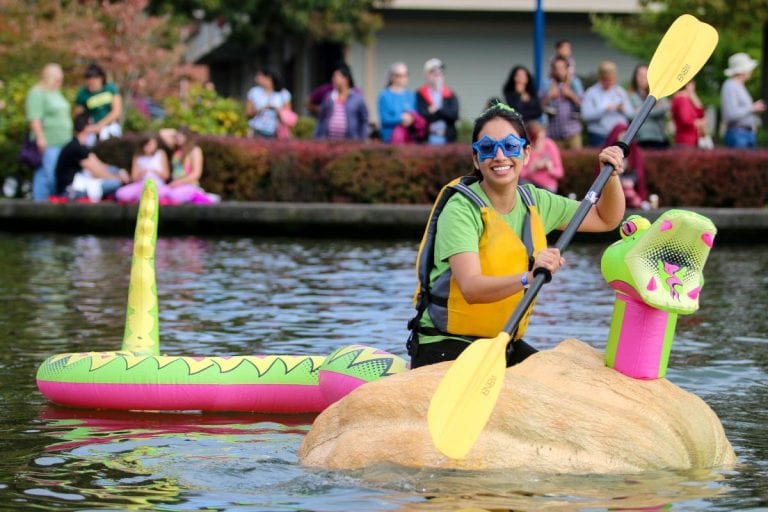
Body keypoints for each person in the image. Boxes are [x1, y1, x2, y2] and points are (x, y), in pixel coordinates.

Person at [406, 101, 627, 369]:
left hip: (500, 343)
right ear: (476, 158)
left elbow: (606, 218)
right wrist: (529, 277)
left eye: (510, 146)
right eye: (487, 148)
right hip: (444, 344)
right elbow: (471, 288)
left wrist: (612, 175)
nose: (499, 156)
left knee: (562, 379)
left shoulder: (536, 201)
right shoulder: (461, 209)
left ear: (526, 152)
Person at [54, 113, 129, 202]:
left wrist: (119, 172)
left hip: (79, 183)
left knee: (114, 170)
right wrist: (119, 180)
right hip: (69, 190)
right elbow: (97, 172)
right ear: (87, 127)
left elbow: (100, 165)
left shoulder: (80, 145)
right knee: (115, 184)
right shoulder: (76, 148)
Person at [25, 63, 73, 201]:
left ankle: (51, 203)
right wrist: (40, 138)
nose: (60, 81)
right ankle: (41, 206)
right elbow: (34, 118)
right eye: (57, 77)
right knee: (47, 174)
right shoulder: (37, 93)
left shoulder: (56, 92)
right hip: (49, 141)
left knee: (53, 174)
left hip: (63, 142)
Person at [581, 60, 632, 147]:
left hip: (619, 136)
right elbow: (585, 115)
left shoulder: (620, 91)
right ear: (600, 78)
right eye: (607, 80)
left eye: (612, 80)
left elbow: (631, 114)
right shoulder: (591, 92)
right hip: (599, 136)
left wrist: (622, 109)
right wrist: (604, 110)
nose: (610, 83)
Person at [720, 52, 766, 148]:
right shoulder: (730, 86)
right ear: (742, 70)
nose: (751, 71)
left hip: (746, 134)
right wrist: (752, 108)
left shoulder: (740, 86)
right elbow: (730, 114)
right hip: (738, 135)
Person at [314, 62, 369, 140]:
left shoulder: (357, 98)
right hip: (329, 140)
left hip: (351, 140)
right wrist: (317, 136)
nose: (334, 80)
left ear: (346, 79)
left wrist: (363, 138)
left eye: (337, 77)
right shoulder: (329, 97)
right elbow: (321, 118)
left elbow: (364, 120)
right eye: (333, 77)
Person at [164, 127, 219, 205]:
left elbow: (196, 174)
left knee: (173, 196)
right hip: (175, 185)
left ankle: (201, 196)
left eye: (181, 136)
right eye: (177, 136)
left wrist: (178, 182)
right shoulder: (177, 150)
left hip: (189, 185)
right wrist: (175, 132)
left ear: (187, 136)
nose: (178, 138)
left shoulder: (194, 150)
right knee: (161, 194)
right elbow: (163, 134)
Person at [600, 123, 648, 209]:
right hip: (614, 186)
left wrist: (631, 181)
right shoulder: (609, 151)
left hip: (630, 187)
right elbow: (604, 174)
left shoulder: (633, 151)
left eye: (625, 134)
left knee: (631, 195)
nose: (623, 137)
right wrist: (621, 182)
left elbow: (638, 172)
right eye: (621, 134)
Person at [74, 63, 123, 146]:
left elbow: (116, 111)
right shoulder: (83, 93)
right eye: (89, 78)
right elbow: (78, 115)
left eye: (95, 78)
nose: (92, 81)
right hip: (91, 130)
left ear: (101, 78)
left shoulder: (110, 88)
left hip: (109, 127)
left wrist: (100, 125)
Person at [540, 56, 583, 149]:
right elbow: (538, 106)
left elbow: (583, 105)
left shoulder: (575, 83)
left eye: (562, 68)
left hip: (573, 132)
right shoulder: (546, 84)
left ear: (567, 69)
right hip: (553, 133)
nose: (559, 71)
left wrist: (571, 95)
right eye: (556, 68)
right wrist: (549, 96)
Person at [115, 134, 170, 204]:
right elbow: (134, 178)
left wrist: (154, 171)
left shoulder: (161, 154)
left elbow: (166, 176)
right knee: (121, 193)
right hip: (142, 184)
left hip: (157, 185)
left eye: (152, 144)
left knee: (158, 194)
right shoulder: (138, 156)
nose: (150, 147)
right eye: (148, 145)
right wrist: (142, 172)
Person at [417, 58, 459, 144]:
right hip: (426, 140)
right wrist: (442, 113)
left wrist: (436, 110)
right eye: (434, 72)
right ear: (427, 75)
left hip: (447, 139)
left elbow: (454, 116)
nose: (438, 75)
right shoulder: (420, 93)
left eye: (441, 72)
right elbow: (421, 115)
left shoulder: (450, 94)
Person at [627, 63, 670, 149]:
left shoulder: (658, 93)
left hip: (659, 138)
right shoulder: (630, 95)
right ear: (635, 77)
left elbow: (664, 108)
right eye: (640, 75)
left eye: (645, 75)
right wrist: (654, 108)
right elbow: (629, 115)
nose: (642, 78)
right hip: (640, 140)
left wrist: (641, 111)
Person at [245, 66, 294, 139]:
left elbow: (288, 115)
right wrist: (261, 109)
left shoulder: (283, 93)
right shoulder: (254, 92)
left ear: (268, 77)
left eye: (259, 75)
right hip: (257, 130)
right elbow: (247, 114)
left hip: (277, 131)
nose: (256, 78)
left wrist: (277, 110)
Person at [377, 62, 420, 143]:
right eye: (398, 75)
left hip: (409, 139)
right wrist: (401, 119)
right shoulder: (384, 95)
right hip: (390, 139)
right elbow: (384, 119)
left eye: (405, 75)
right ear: (392, 77)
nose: (402, 78)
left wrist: (411, 119)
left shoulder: (410, 95)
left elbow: (415, 114)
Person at [520, 120, 564, 193]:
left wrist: (550, 168)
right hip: (530, 186)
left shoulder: (549, 145)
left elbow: (560, 172)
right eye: (536, 139)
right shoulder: (525, 149)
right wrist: (532, 168)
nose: (539, 142)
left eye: (542, 138)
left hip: (548, 187)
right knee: (523, 185)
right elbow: (520, 174)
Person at [671, 80, 707, 148]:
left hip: (691, 140)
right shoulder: (681, 99)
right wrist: (699, 123)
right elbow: (686, 120)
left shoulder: (688, 99)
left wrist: (695, 98)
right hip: (685, 141)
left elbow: (701, 114)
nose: (694, 88)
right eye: (692, 85)